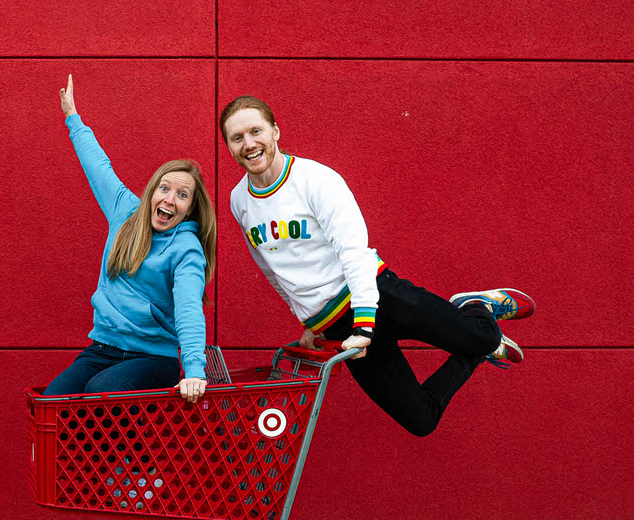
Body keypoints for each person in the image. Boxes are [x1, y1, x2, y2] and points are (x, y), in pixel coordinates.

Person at [221, 95, 534, 436]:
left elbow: (353, 251)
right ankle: (477, 342)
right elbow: (272, 268)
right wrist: (309, 320)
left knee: (484, 337)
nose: (249, 144)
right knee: (421, 420)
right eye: (237, 138)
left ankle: (475, 310)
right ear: (229, 146)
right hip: (340, 331)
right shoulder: (240, 201)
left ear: (275, 131)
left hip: (378, 297)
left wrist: (365, 325)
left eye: (256, 131)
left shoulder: (316, 180)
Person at [44, 75, 216, 404]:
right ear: (152, 190)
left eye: (182, 195)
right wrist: (72, 118)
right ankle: (95, 458)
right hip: (102, 348)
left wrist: (194, 370)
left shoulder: (187, 249)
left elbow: (189, 308)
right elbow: (98, 166)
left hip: (153, 359)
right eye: (164, 188)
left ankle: (125, 458)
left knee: (101, 394)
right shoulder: (126, 213)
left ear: (190, 209)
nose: (169, 199)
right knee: (53, 403)